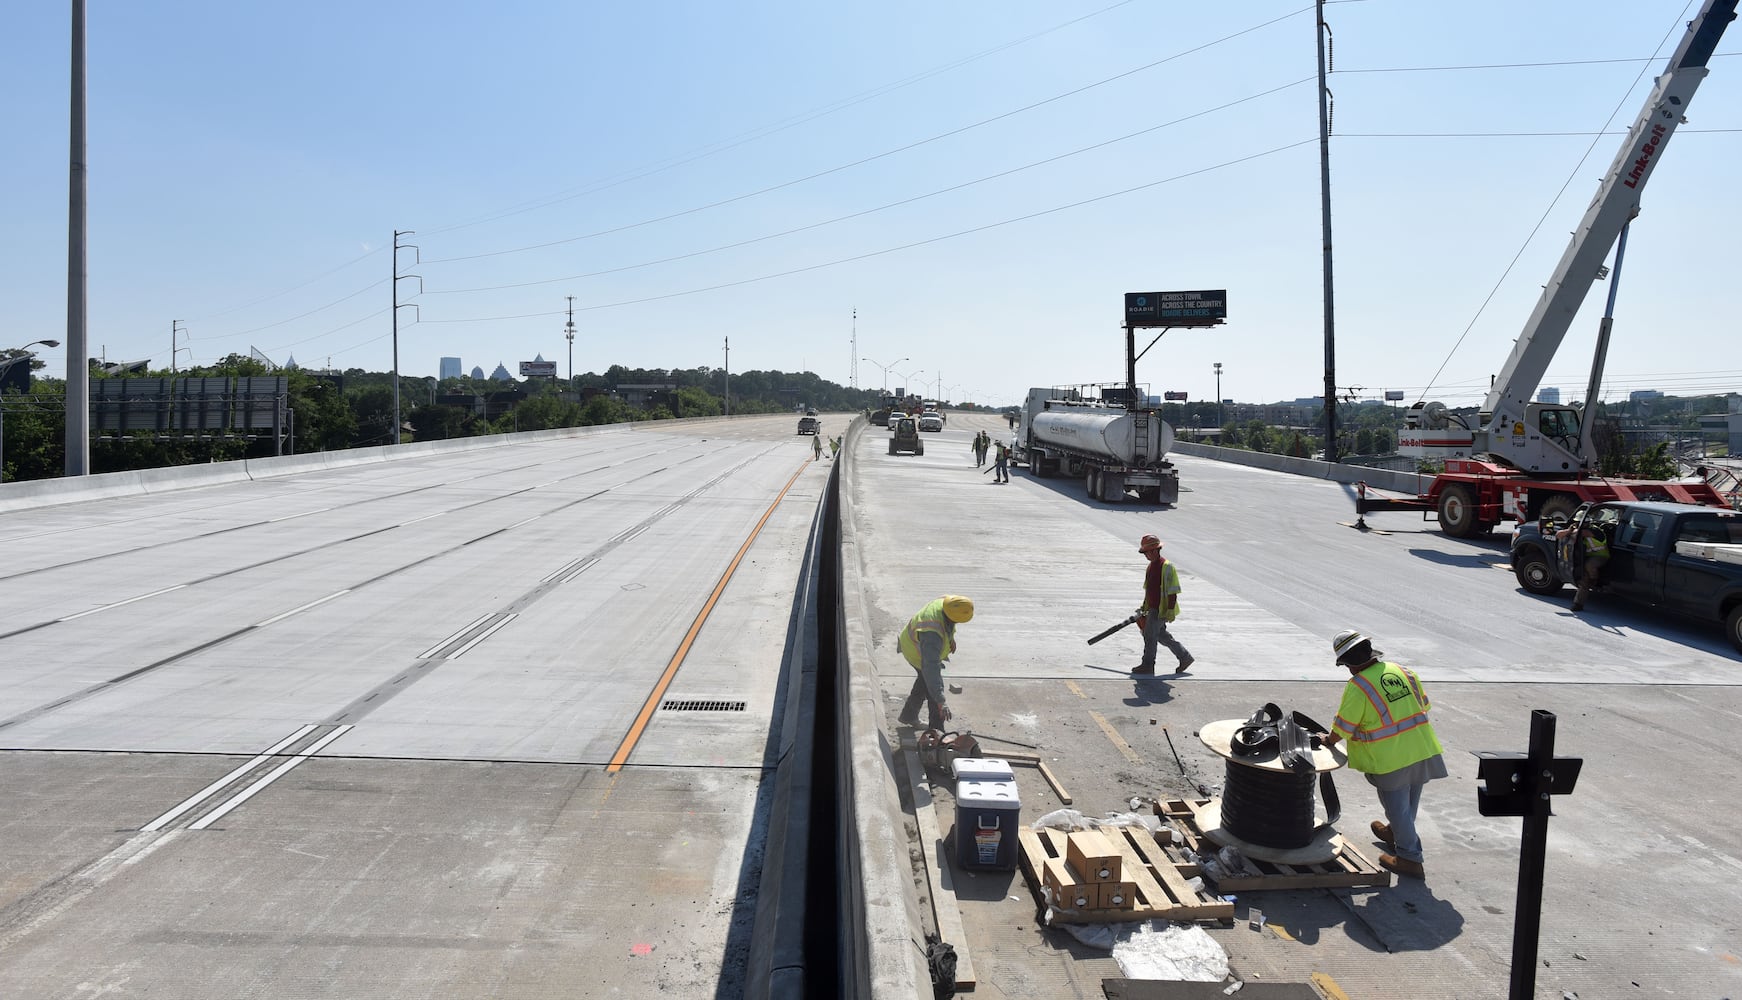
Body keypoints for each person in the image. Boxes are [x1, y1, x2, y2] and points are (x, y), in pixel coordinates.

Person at [1319, 629, 1447, 880]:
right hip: (1422, 748)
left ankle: (1410, 858)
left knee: (1397, 808)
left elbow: (1344, 727)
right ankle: (1395, 833)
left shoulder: (1359, 686)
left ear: (1347, 663)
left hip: (1391, 759)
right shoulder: (1403, 671)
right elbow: (1424, 704)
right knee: (1408, 803)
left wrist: (1328, 740)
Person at [897, 595, 974, 729]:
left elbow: (948, 624)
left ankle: (908, 716)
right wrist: (941, 701)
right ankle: (937, 731)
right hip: (916, 652)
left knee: (923, 683)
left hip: (918, 645)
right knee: (933, 691)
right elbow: (931, 667)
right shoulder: (931, 633)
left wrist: (950, 638)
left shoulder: (947, 603)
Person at [1132, 534, 1192, 675]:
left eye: (1147, 552)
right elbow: (1149, 589)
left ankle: (1148, 665)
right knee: (1162, 636)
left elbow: (1173, 591)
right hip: (1152, 608)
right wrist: (1144, 607)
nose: (1146, 555)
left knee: (1149, 636)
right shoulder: (1151, 567)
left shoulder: (1167, 567)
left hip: (1161, 609)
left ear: (1154, 550)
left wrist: (1170, 610)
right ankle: (1185, 657)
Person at [1555, 518, 1609, 611]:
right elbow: (1558, 535)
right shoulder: (1575, 530)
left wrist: (1571, 531)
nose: (1578, 524)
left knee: (1589, 565)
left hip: (1601, 556)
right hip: (1585, 557)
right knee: (1584, 580)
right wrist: (1569, 530)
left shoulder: (1594, 530)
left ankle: (1594, 579)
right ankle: (1578, 604)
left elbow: (1581, 533)